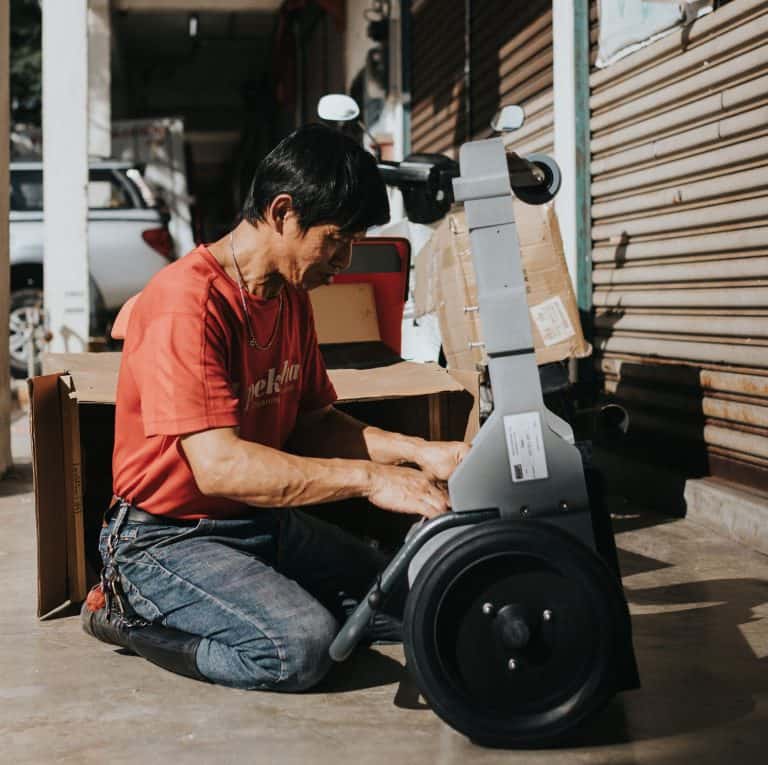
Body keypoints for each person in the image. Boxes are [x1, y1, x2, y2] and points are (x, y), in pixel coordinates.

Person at [82, 124, 469, 691]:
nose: (344, 260)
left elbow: (314, 424)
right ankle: (122, 615)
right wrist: (370, 479)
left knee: (416, 597)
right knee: (299, 649)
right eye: (337, 239)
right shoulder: (186, 302)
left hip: (256, 520)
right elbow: (220, 467)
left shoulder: (290, 296)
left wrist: (422, 452)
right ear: (283, 212)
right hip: (166, 538)